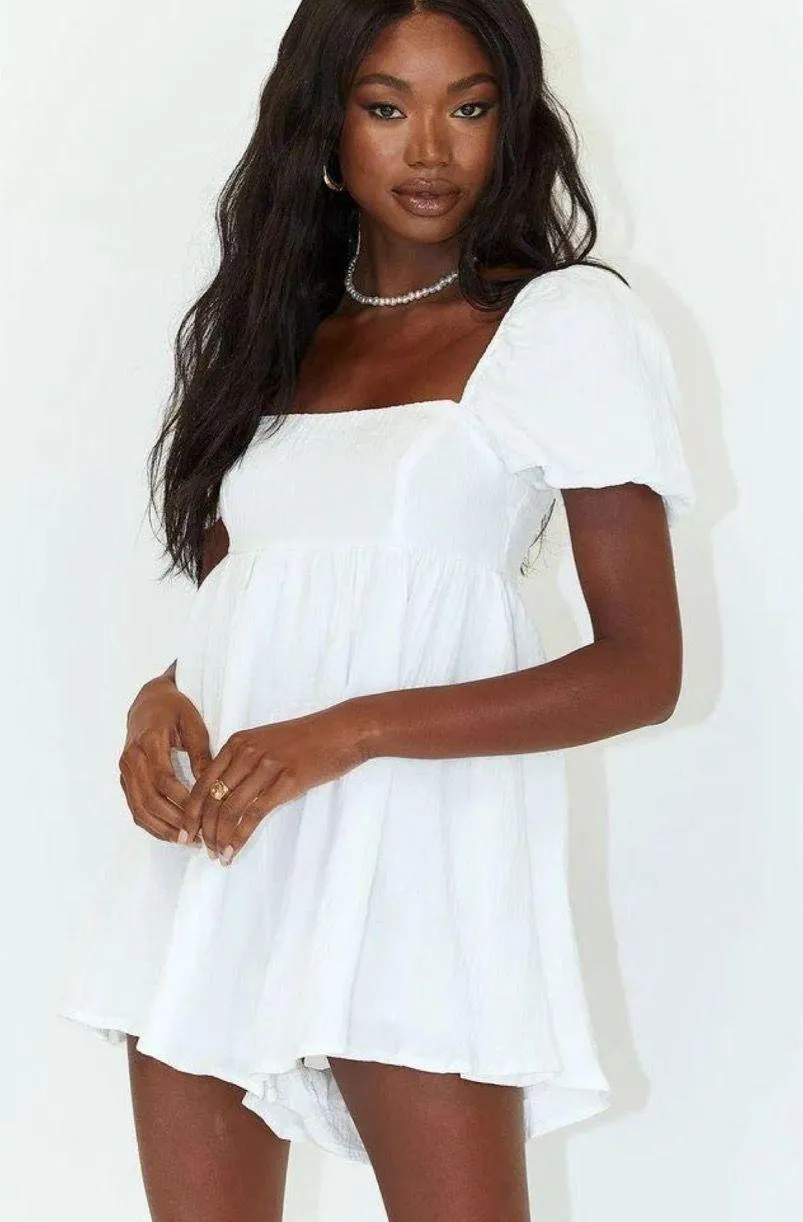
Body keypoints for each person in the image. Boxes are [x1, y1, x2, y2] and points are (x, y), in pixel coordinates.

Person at [59, 2, 696, 1219]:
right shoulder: (271, 333)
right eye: (386, 107)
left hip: (416, 859)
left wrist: (347, 731)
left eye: (469, 106)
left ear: (511, 122)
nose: (430, 150)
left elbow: (639, 668)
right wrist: (157, 701)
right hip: (226, 848)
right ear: (325, 124)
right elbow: (256, 599)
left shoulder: (561, 326)